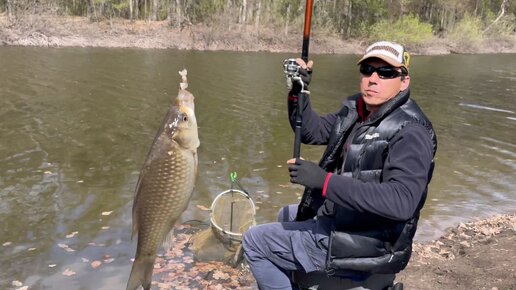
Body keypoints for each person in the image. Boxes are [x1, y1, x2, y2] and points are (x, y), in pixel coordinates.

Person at [242, 41, 437, 290]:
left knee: (255, 241)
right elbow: (312, 132)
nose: (373, 79)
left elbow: (401, 202)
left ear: (404, 81)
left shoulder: (411, 131)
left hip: (372, 242)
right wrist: (298, 92)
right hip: (353, 221)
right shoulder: (357, 110)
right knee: (289, 214)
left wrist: (324, 182)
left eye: (386, 72)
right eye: (367, 70)